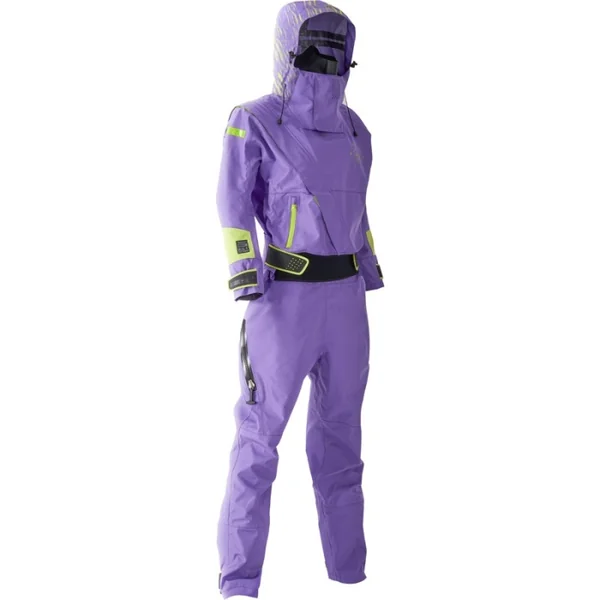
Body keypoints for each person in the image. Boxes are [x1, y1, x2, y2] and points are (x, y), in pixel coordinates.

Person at [216, 2, 384, 597]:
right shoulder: (254, 120)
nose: (326, 59)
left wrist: (368, 267)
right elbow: (232, 201)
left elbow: (358, 209)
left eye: (336, 48)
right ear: (288, 49)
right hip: (283, 301)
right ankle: (240, 584)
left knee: (343, 442)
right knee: (258, 443)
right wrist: (243, 271)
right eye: (314, 47)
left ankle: (348, 574)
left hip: (347, 304)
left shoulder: (357, 129)